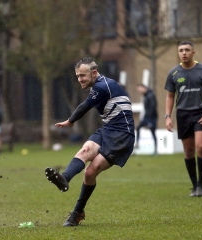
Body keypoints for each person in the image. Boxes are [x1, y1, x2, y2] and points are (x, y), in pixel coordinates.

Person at [44, 57, 135, 226]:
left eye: (83, 76)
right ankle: (64, 178)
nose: (80, 79)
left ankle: (77, 212)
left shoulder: (102, 86)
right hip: (107, 129)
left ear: (94, 73)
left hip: (122, 135)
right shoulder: (102, 85)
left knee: (90, 172)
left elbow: (84, 106)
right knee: (85, 151)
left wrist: (70, 121)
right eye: (78, 76)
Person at [164, 41, 202, 197]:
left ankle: (201, 184)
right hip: (183, 114)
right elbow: (170, 96)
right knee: (188, 151)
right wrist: (168, 116)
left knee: (201, 147)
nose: (184, 52)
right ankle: (194, 186)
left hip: (201, 112)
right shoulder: (173, 73)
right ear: (178, 53)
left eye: (187, 50)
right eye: (181, 50)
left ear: (193, 52)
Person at [135, 84, 158, 155]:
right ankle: (137, 143)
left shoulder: (150, 95)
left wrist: (150, 120)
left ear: (144, 87)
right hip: (146, 117)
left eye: (140, 89)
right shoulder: (145, 95)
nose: (140, 91)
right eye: (138, 90)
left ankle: (155, 150)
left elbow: (153, 106)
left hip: (151, 117)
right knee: (138, 128)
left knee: (153, 132)